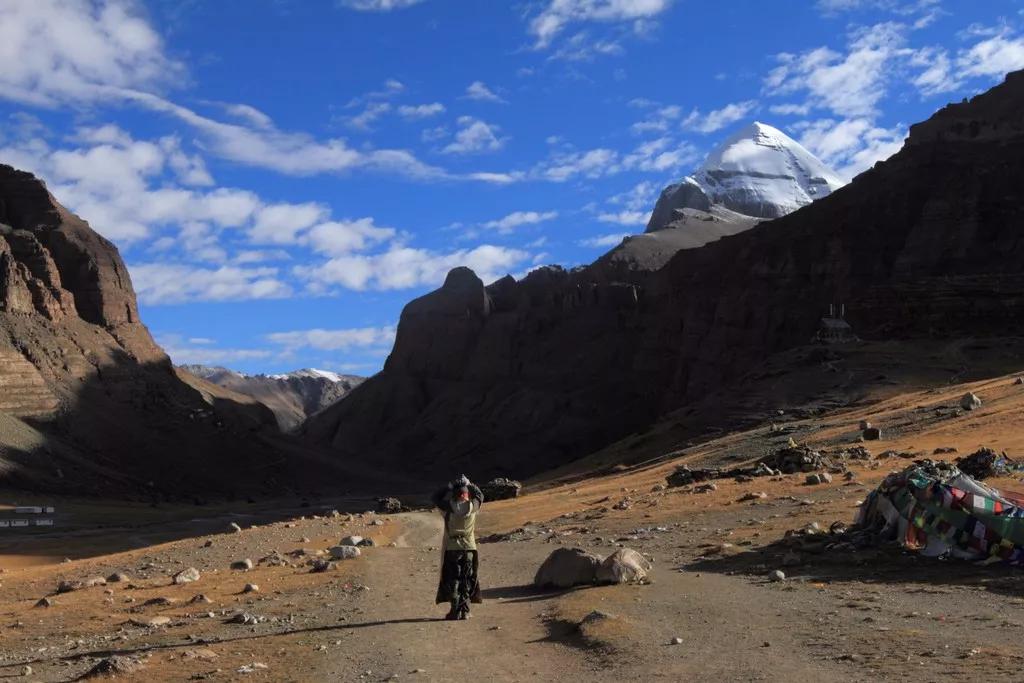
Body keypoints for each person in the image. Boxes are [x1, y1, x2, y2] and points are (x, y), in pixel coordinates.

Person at [432, 475, 484, 620]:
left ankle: (455, 611)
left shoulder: (448, 507)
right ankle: (465, 610)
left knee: (453, 579)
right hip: (470, 548)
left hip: (452, 548)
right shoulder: (474, 506)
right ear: (467, 494)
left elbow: (435, 497)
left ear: (454, 495)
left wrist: (448, 486)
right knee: (467, 579)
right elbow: (480, 495)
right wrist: (469, 484)